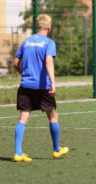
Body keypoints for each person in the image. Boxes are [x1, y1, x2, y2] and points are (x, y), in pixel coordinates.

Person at [12, 14, 69, 162]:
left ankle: (18, 153)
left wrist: (22, 74)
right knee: (53, 116)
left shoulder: (27, 41)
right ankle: (56, 150)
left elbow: (15, 63)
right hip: (42, 87)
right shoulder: (49, 43)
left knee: (23, 118)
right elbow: (49, 62)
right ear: (49, 27)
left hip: (25, 85)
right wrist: (53, 82)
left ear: (37, 26)